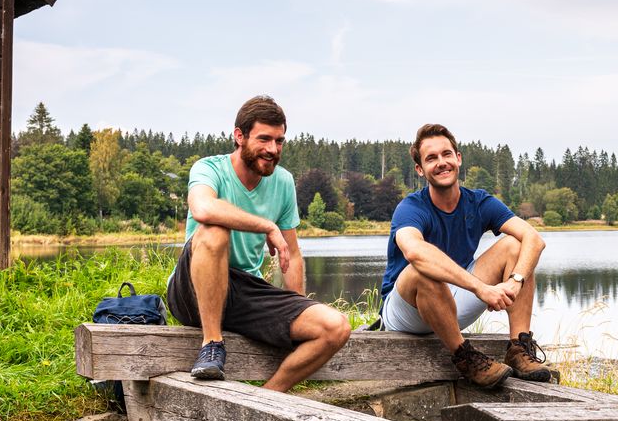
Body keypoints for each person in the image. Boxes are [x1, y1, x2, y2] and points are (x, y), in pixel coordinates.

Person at [165, 95, 351, 389]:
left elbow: (294, 256)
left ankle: (267, 397)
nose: (273, 149)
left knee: (335, 327)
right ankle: (212, 344)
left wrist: (296, 306)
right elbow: (203, 208)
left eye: (279, 141)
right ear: (239, 136)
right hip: (192, 287)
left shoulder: (283, 181)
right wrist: (265, 225)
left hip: (244, 290)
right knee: (215, 231)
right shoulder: (209, 169)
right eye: (264, 139)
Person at [380, 122, 556, 388]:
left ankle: (519, 349)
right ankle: (465, 357)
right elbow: (414, 251)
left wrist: (514, 281)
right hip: (407, 312)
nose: (441, 162)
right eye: (431, 158)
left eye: (446, 154)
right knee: (421, 269)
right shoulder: (411, 207)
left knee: (517, 247)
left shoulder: (479, 202)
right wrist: (481, 288)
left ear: (458, 158)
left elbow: (534, 238)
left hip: (452, 302)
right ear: (420, 169)